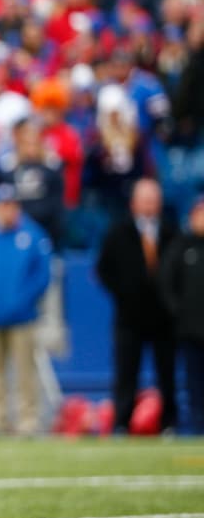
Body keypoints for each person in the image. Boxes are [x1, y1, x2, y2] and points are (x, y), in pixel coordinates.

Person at [0, 183, 53, 435]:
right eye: (1, 206)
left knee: (25, 370)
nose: (6, 211)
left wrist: (24, 300)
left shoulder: (32, 236)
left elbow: (42, 275)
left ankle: (28, 418)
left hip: (23, 316)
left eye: (11, 205)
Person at [97, 178, 179, 434]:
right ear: (133, 203)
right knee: (126, 372)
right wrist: (124, 293)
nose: (149, 205)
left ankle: (169, 423)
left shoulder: (170, 232)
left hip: (163, 316)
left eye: (154, 200)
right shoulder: (118, 233)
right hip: (129, 316)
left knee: (166, 372)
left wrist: (172, 301)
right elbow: (104, 270)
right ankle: (122, 422)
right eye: (145, 200)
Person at [161, 196, 204, 435]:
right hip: (189, 328)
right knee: (193, 381)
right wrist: (179, 312)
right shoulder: (181, 246)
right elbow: (167, 283)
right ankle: (198, 426)